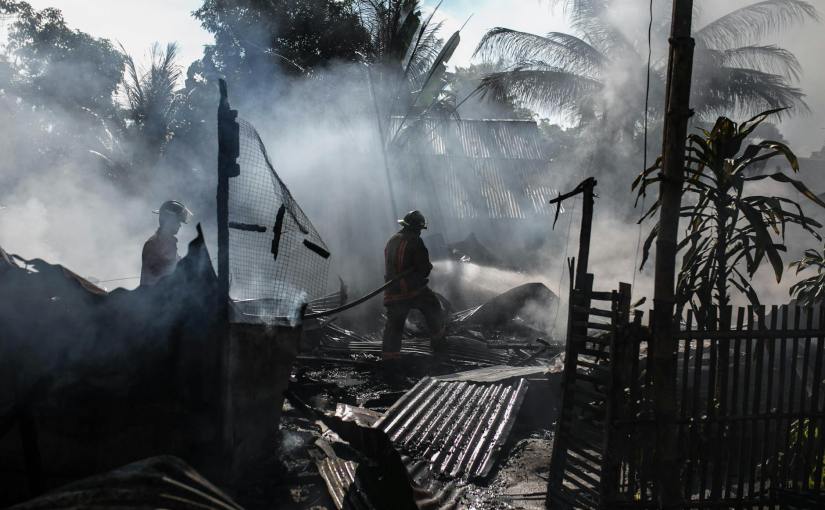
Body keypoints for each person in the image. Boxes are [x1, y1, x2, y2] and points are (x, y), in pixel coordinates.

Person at [382, 210, 445, 360]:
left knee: (394, 326)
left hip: (392, 291)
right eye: (419, 229)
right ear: (416, 228)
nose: (420, 232)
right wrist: (427, 267)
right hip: (413, 291)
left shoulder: (391, 240)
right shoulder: (415, 241)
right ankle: (439, 347)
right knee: (434, 308)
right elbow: (423, 270)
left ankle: (389, 360)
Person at [140, 200, 192, 287]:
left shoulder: (169, 242)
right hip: (155, 298)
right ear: (168, 220)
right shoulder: (153, 244)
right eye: (178, 221)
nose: (180, 225)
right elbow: (162, 274)